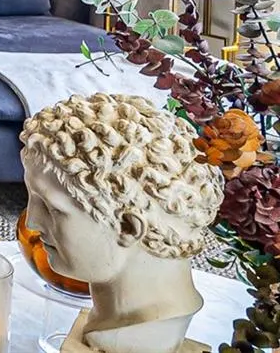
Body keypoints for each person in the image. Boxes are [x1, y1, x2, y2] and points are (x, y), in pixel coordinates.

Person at [21, 94, 223, 353]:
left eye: (52, 209)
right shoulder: (112, 308)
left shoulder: (147, 338)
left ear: (128, 228)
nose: (32, 222)